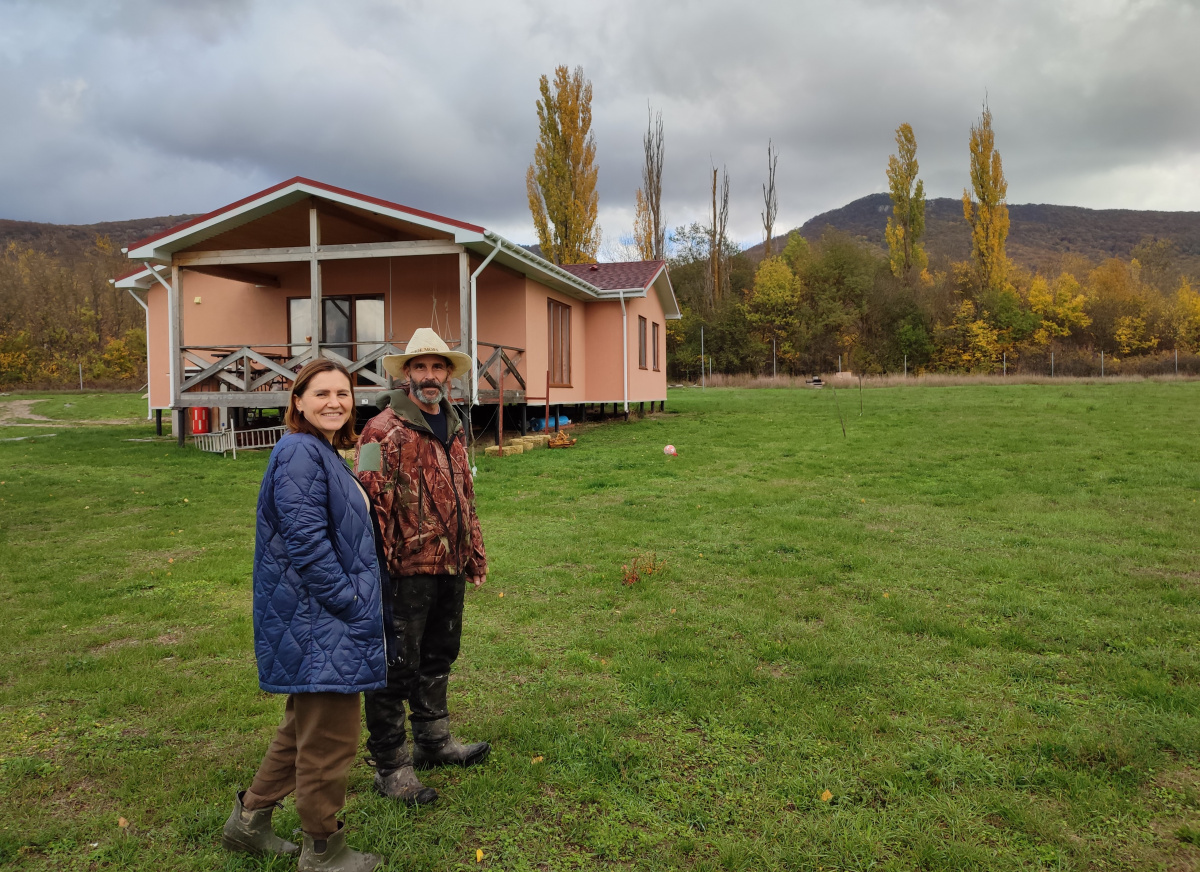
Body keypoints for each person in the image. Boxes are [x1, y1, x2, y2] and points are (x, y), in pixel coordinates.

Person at [223, 358, 388, 872]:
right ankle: (323, 848)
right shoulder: (299, 452)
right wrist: (349, 602)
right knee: (330, 740)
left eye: (343, 393)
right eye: (321, 393)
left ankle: (248, 822)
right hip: (322, 619)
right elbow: (306, 543)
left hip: (317, 617)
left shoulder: (319, 451)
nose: (335, 402)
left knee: (302, 728)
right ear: (297, 401)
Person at [355, 327, 490, 805]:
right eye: (420, 367)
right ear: (406, 374)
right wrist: (379, 569)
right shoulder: (379, 431)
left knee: (439, 655)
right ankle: (391, 767)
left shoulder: (454, 425)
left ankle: (434, 742)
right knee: (396, 669)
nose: (430, 376)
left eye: (438, 367)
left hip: (449, 566)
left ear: (448, 376)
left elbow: (465, 496)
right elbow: (366, 502)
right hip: (404, 571)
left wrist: (473, 551)